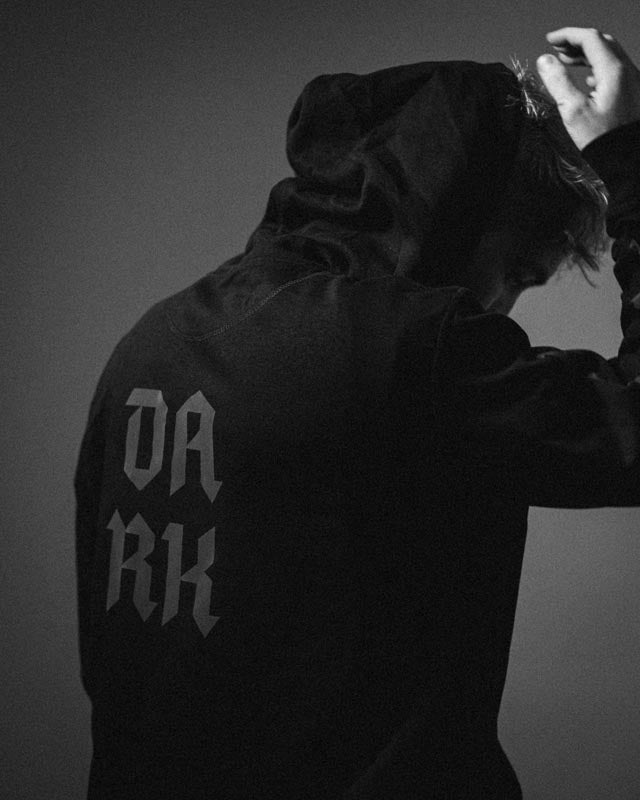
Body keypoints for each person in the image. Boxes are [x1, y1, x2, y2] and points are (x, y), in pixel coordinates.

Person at [74, 26, 640, 799]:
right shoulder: (411, 347)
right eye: (516, 271)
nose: (504, 306)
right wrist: (628, 161)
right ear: (458, 213)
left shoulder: (152, 341)